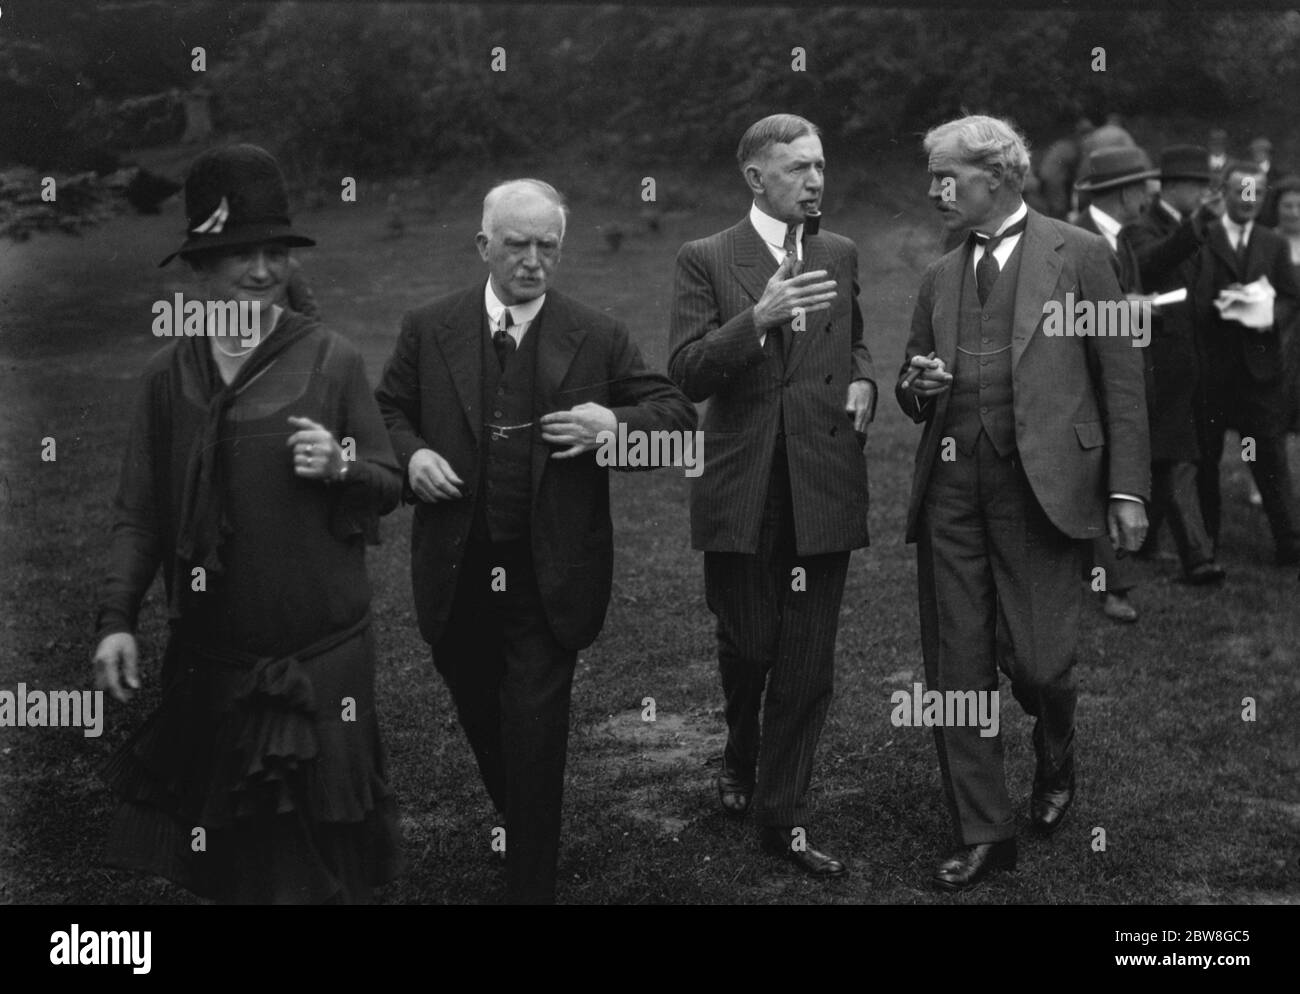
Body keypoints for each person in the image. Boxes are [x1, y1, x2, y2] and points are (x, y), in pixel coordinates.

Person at [92, 144, 403, 904]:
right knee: (235, 863)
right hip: (213, 663)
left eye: (274, 253)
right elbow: (140, 516)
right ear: (200, 268)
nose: (262, 270)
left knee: (325, 858)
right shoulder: (169, 381)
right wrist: (116, 621)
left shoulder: (331, 360)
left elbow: (390, 483)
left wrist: (343, 467)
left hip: (322, 659)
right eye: (239, 254)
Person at [374, 179, 695, 904]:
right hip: (457, 568)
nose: (532, 261)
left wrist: (614, 427)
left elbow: (676, 420)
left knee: (535, 730)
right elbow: (387, 408)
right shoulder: (430, 327)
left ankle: (532, 881)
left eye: (547, 246)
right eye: (517, 245)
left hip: (551, 572)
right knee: (480, 709)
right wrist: (412, 454)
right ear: (483, 246)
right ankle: (523, 823)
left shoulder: (595, 332)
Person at [898, 115, 1149, 892]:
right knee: (957, 667)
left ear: (999, 175)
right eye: (934, 176)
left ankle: (1056, 741)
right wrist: (918, 386)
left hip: (1043, 489)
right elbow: (913, 376)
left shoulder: (1081, 254)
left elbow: (1120, 379)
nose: (937, 189)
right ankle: (983, 830)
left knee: (1041, 664)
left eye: (950, 176)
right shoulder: (940, 274)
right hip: (950, 492)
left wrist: (1128, 486)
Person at [668, 113, 874, 877]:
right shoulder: (707, 258)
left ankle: (782, 817)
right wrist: (754, 320)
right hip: (741, 487)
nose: (815, 180)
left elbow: (854, 342)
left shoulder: (840, 253)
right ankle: (740, 747)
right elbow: (686, 373)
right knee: (750, 645)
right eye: (797, 168)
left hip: (822, 483)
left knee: (807, 663)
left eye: (820, 165)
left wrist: (863, 381)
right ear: (756, 178)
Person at [1118, 145, 1226, 584]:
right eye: (1197, 186)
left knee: (1171, 456)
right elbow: (1153, 260)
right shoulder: (1140, 229)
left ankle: (1143, 543)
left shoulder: (1188, 226)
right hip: (1159, 363)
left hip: (1193, 363)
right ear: (1176, 186)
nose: (1202, 195)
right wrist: (1198, 227)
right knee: (1177, 457)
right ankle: (1198, 558)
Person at [1191, 161, 1300, 566]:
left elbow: (1291, 296)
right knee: (1206, 460)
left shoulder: (1272, 243)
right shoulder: (1205, 236)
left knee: (1268, 458)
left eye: (1256, 193)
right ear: (1225, 193)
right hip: (1214, 370)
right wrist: (1222, 304)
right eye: (1241, 192)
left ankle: (1289, 542)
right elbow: (1193, 294)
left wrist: (1268, 314)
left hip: (1260, 371)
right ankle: (1206, 546)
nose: (1249, 201)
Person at [1073, 145, 1158, 621]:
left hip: (1116, 373)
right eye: (1144, 188)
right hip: (1089, 380)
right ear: (1126, 193)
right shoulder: (1080, 240)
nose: (1148, 197)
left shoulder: (1119, 238)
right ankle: (1114, 586)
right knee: (1097, 475)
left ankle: (1113, 578)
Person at [1268, 175, 1300, 435]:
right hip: (1280, 326)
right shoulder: (1265, 242)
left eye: (1299, 206)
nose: (1294, 213)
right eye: (1287, 206)